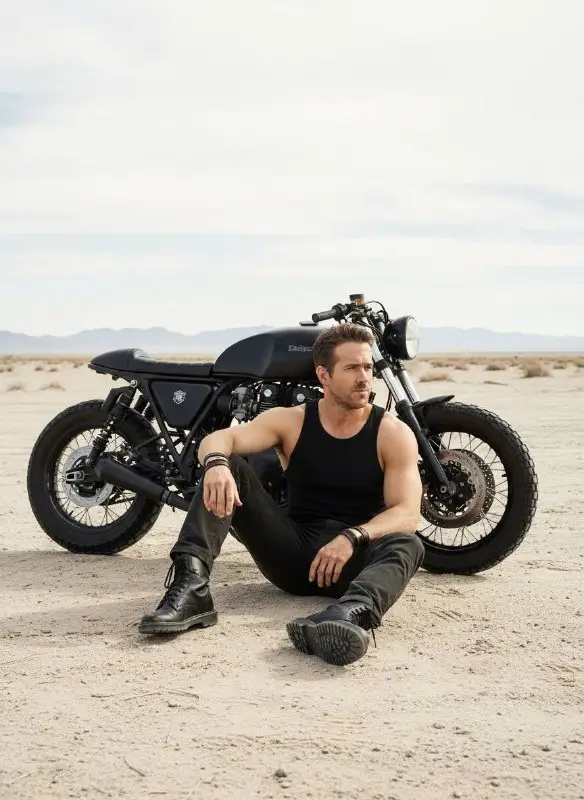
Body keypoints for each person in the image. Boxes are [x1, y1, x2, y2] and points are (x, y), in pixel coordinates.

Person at [138, 323, 425, 666]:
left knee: (409, 543)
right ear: (324, 375)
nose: (364, 377)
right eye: (351, 368)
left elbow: (407, 512)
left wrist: (352, 536)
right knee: (228, 464)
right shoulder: (291, 421)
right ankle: (192, 589)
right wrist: (216, 465)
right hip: (291, 553)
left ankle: (346, 615)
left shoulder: (392, 433)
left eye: (367, 367)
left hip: (354, 562)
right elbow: (218, 440)